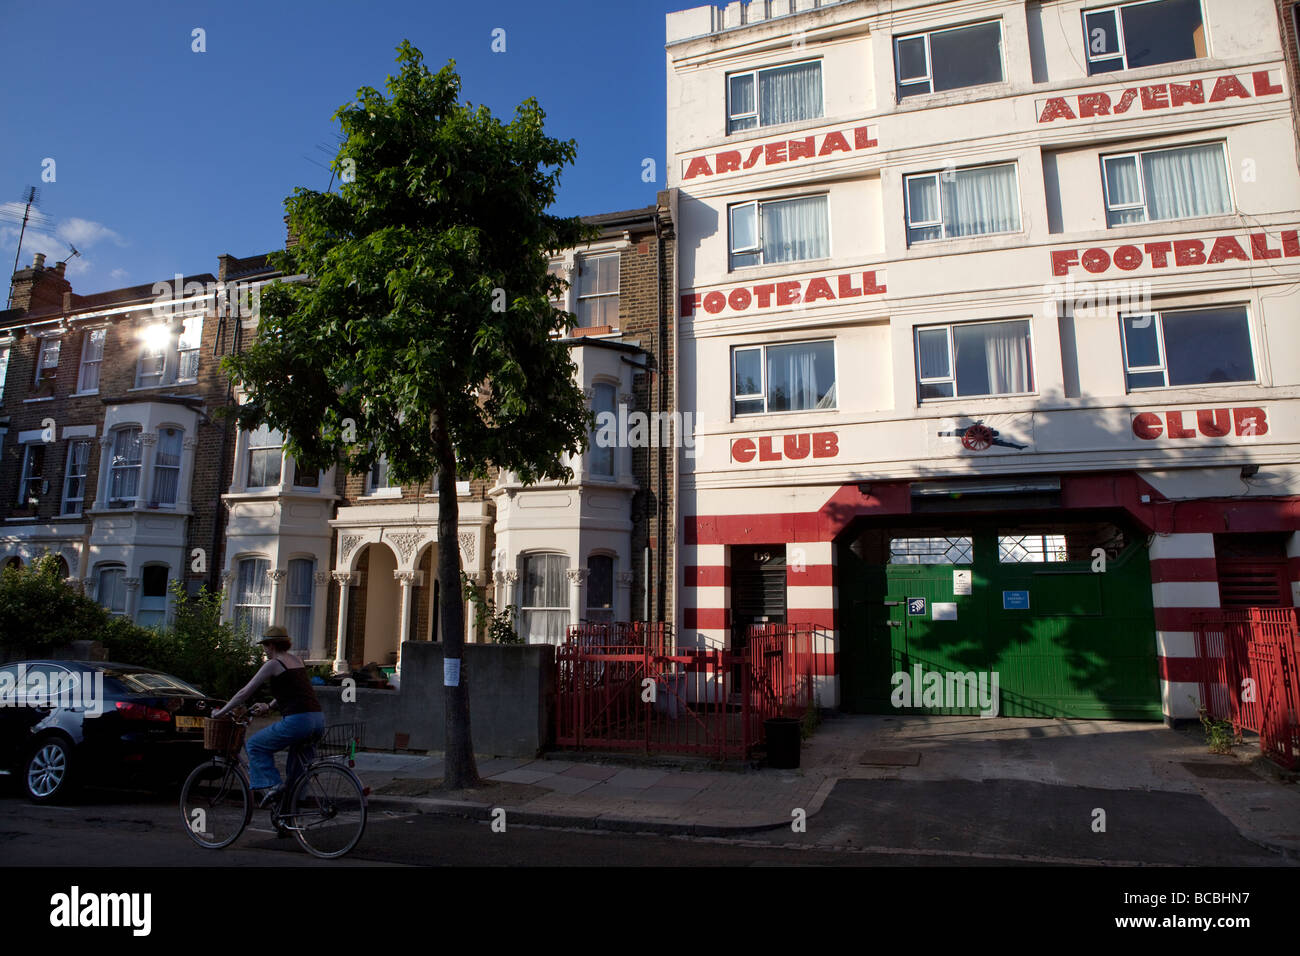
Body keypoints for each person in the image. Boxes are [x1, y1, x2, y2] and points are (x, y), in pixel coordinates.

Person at [212, 625, 325, 807]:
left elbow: (244, 693)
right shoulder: (297, 660)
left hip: (298, 721)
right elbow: (294, 692)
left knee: (255, 745)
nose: (264, 649)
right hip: (317, 719)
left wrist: (220, 712)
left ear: (271, 645)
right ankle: (287, 818)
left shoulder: (273, 664)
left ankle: (274, 786)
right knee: (296, 773)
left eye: (264, 645)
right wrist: (269, 706)